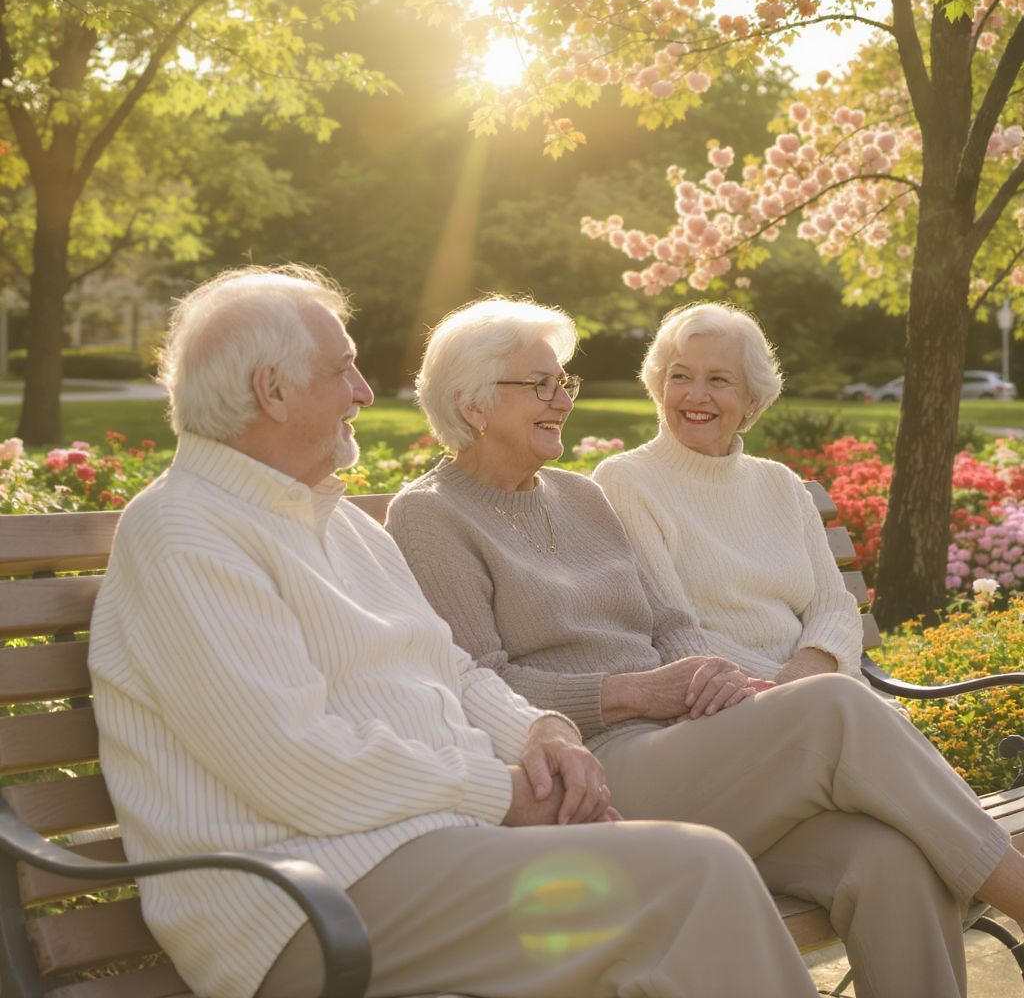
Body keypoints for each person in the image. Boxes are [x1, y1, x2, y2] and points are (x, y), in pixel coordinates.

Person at [87, 265, 824, 998]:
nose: (365, 394)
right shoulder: (185, 530)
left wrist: (544, 736)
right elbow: (293, 765)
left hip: (424, 851)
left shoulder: (337, 522)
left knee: (687, 895)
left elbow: (457, 672)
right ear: (271, 392)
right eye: (343, 369)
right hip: (302, 901)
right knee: (698, 875)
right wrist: (501, 793)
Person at [386, 294, 1024, 998]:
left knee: (887, 860)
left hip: (685, 747)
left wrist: (716, 679)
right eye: (539, 385)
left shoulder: (578, 496)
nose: (561, 400)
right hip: (596, 771)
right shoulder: (430, 515)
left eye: (562, 382)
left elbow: (667, 625)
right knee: (835, 707)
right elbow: (477, 684)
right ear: (473, 404)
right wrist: (633, 693)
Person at [592, 301, 863, 685]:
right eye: (681, 376)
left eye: (718, 380)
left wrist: (808, 677)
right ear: (660, 386)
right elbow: (674, 632)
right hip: (726, 699)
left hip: (818, 692)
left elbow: (834, 607)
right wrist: (791, 691)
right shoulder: (628, 481)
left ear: (752, 399)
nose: (695, 395)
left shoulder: (780, 484)